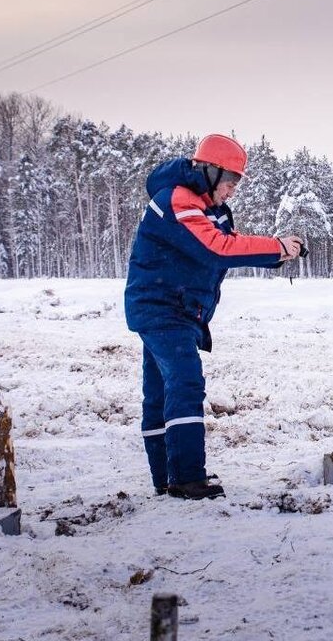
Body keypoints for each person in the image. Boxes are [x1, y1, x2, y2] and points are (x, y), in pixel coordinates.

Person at [124, 134, 303, 500]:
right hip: (162, 309)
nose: (233, 190)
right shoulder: (178, 200)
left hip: (179, 310)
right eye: (229, 180)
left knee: (159, 392)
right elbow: (217, 248)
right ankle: (187, 478)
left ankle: (167, 476)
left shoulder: (206, 205)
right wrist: (275, 246)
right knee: (186, 382)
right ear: (208, 171)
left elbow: (229, 241)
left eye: (237, 182)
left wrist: (276, 255)